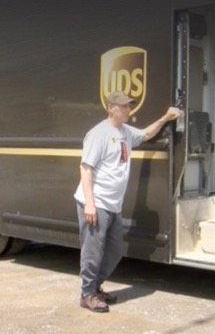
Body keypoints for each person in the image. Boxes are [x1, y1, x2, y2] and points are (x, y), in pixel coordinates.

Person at [74, 91, 182, 313]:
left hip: (114, 204)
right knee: (93, 251)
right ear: (111, 107)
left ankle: (95, 286)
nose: (128, 110)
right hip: (98, 202)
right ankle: (87, 294)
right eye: (123, 106)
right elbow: (85, 168)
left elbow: (147, 134)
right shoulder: (98, 134)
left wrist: (165, 118)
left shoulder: (125, 132)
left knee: (114, 251)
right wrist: (90, 203)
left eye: (129, 106)